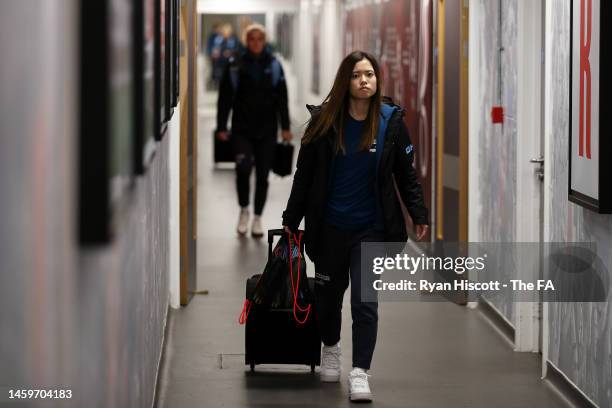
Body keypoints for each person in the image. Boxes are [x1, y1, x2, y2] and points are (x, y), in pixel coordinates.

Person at [281, 51, 429, 402]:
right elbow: (304, 177)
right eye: (357, 75)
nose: (364, 81)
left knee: (365, 302)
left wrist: (418, 213)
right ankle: (330, 348)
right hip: (330, 227)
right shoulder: (323, 123)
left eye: (370, 75)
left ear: (377, 80)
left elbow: (405, 175)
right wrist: (291, 219)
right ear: (344, 81)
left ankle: (361, 371)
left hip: (371, 229)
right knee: (329, 299)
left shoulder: (391, 121)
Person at [217, 23, 293, 238]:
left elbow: (282, 99)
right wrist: (222, 126)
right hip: (241, 129)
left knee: (262, 176)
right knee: (242, 170)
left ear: (265, 41)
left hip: (267, 131)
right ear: (246, 41)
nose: (256, 43)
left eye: (260, 39)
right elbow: (225, 98)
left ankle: (258, 217)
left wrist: (285, 127)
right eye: (252, 39)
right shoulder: (235, 65)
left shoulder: (275, 65)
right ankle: (244, 210)